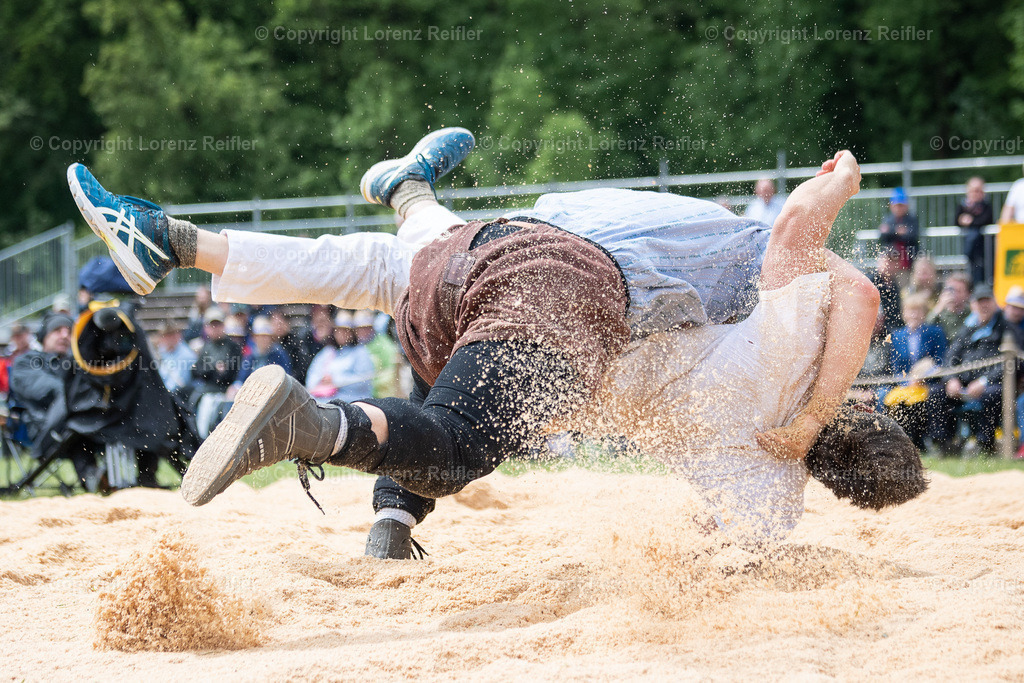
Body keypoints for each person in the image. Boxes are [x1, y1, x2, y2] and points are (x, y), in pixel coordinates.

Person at [68, 133, 905, 556]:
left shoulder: (763, 343)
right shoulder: (762, 428)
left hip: (516, 254)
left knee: (399, 271)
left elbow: (844, 278)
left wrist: (837, 178)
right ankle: (315, 429)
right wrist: (799, 433)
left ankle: (190, 235)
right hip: (564, 285)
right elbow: (735, 545)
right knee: (462, 428)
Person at [939, 285, 1023, 455]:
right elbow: (950, 356)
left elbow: (1012, 361)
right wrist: (951, 379)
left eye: (987, 301)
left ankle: (985, 445)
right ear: (973, 305)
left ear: (994, 303)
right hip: (964, 382)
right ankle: (944, 445)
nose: (984, 305)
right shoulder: (967, 328)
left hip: (995, 384)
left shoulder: (1006, 327)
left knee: (991, 394)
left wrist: (983, 382)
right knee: (937, 393)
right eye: (980, 302)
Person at [884, 294, 947, 449]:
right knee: (895, 401)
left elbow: (940, 360)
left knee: (933, 397)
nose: (914, 315)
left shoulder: (935, 333)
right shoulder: (897, 336)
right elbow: (896, 366)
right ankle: (903, 443)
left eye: (917, 311)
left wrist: (924, 377)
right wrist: (906, 382)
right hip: (906, 384)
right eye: (910, 311)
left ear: (924, 313)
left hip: (929, 382)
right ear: (904, 314)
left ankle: (933, 442)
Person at [305, 311, 375, 402]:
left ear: (352, 332)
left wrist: (335, 380)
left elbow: (364, 381)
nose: (342, 334)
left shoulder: (360, 352)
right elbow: (311, 378)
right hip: (325, 400)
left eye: (346, 330)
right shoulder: (327, 352)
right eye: (339, 330)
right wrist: (322, 380)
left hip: (353, 401)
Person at [231, 315, 292, 394]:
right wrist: (236, 387)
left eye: (265, 336)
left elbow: (285, 378)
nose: (263, 339)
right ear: (254, 337)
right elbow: (241, 378)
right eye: (260, 336)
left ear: (271, 337)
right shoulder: (250, 356)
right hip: (252, 393)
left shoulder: (279, 354)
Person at [957, 177, 994, 285]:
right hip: (972, 249)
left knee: (983, 269)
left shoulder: (986, 206)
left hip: (984, 248)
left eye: (979, 190)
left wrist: (970, 221)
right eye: (974, 190)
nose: (976, 193)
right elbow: (956, 220)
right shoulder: (963, 205)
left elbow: (986, 220)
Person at [878, 187, 920, 282]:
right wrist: (898, 231)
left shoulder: (912, 219)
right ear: (891, 206)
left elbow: (912, 236)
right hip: (891, 262)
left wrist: (892, 231)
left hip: (907, 261)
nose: (898, 208)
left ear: (906, 206)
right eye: (896, 205)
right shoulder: (888, 219)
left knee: (904, 286)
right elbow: (883, 236)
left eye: (901, 205)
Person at [154, 321, 196, 397]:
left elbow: (179, 384)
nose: (167, 339)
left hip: (181, 395)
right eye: (164, 336)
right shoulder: (161, 352)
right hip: (164, 393)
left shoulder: (186, 355)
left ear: (178, 336)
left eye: (170, 335)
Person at [927, 273, 972, 340]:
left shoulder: (971, 313)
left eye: (959, 291)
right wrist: (939, 306)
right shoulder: (940, 313)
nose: (954, 294)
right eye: (950, 290)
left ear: (967, 294)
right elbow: (926, 329)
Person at [872, 248, 905, 336]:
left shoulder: (896, 285)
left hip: (893, 332)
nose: (888, 265)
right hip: (875, 334)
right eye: (886, 261)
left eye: (892, 262)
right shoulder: (871, 282)